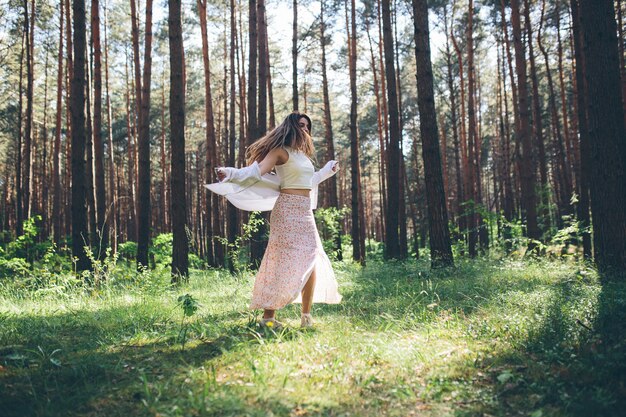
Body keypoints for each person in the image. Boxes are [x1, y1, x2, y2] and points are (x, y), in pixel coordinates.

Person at [205, 111, 342, 328]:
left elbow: (309, 181)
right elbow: (258, 171)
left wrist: (327, 171)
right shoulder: (280, 152)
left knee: (312, 260)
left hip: (305, 212)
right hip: (287, 211)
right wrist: (231, 173)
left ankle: (306, 317)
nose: (304, 130)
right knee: (281, 261)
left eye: (307, 126)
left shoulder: (302, 156)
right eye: (300, 125)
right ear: (290, 127)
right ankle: (268, 317)